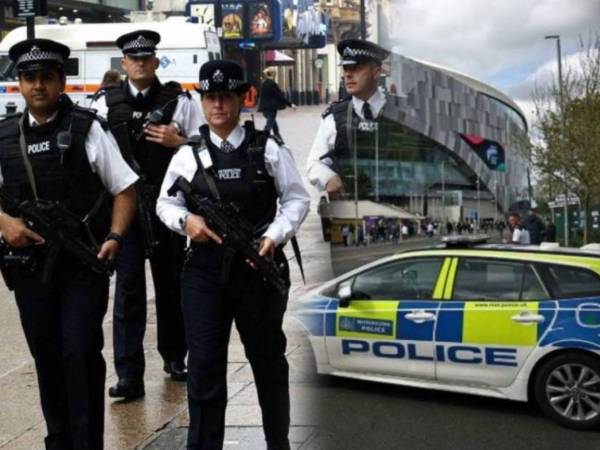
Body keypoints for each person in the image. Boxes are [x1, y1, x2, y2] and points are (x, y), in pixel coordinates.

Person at [156, 60, 310, 450]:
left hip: (256, 268)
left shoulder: (267, 148)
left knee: (269, 363)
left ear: (242, 99)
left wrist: (274, 235)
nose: (218, 106)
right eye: (210, 98)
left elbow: (296, 199)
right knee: (204, 366)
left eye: (226, 97)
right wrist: (186, 221)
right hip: (205, 273)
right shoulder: (188, 154)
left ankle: (279, 442)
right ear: (203, 102)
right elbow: (164, 203)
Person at [0, 38, 137, 449]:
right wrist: (4, 223)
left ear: (61, 81)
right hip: (28, 268)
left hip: (81, 265)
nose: (37, 86)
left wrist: (114, 236)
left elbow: (125, 188)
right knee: (47, 357)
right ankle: (58, 439)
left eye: (46, 77)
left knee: (79, 354)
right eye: (29, 78)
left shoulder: (87, 128)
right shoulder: (5, 136)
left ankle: (86, 442)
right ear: (19, 85)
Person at [89, 29, 205, 399]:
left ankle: (175, 357)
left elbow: (206, 143)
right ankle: (129, 374)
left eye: (146, 58)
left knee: (171, 285)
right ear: (123, 64)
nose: (139, 63)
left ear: (156, 62)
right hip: (125, 209)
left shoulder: (180, 101)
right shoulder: (104, 103)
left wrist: (181, 141)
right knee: (128, 291)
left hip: (167, 207)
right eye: (132, 58)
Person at [306, 39, 390, 199]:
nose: (348, 74)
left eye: (356, 68)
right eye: (345, 68)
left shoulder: (401, 112)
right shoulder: (334, 118)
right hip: (353, 206)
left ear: (376, 72)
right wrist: (328, 177)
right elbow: (314, 163)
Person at [257, 67, 295, 140]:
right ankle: (262, 139)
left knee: (274, 126)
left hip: (264, 109)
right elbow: (280, 97)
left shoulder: (263, 84)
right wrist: (290, 104)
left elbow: (260, 96)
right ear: (273, 74)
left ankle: (279, 138)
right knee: (268, 127)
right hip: (271, 109)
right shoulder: (273, 84)